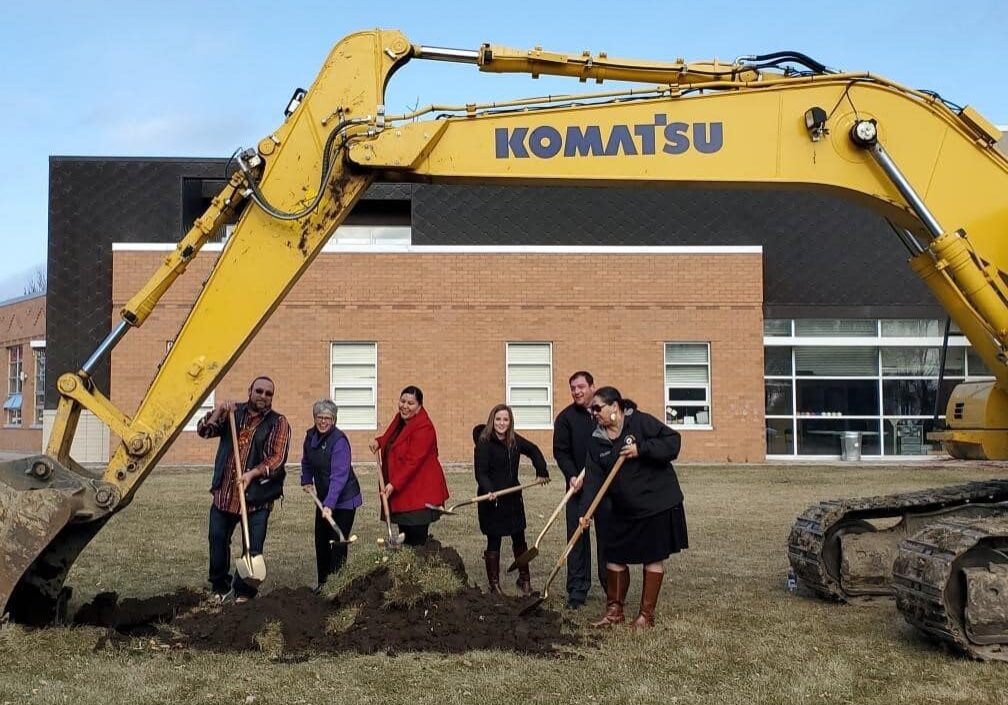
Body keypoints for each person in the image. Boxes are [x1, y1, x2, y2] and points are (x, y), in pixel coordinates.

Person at [575, 385, 688, 631]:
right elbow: (594, 480)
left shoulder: (640, 424)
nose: (594, 413)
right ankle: (614, 611)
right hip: (623, 508)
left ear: (614, 406)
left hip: (655, 504)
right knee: (613, 556)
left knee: (652, 557)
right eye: (591, 410)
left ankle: (646, 616)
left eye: (597, 408)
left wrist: (641, 449)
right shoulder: (597, 440)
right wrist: (585, 513)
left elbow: (673, 443)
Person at [197, 376, 291, 604]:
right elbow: (204, 431)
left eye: (269, 393)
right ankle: (219, 585)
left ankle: (243, 591)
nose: (263, 396)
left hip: (256, 498)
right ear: (250, 391)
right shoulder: (233, 413)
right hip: (225, 494)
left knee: (253, 546)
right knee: (217, 539)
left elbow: (277, 459)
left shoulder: (278, 423)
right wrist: (219, 410)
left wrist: (252, 473)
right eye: (259, 391)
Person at [473, 404, 550, 595]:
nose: (501, 423)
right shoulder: (484, 442)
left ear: (510, 422)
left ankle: (524, 580)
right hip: (492, 499)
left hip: (513, 498)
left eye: (505, 419)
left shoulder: (514, 441)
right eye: (498, 419)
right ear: (493, 420)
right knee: (494, 539)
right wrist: (489, 490)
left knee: (519, 539)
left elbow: (534, 450)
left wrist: (541, 471)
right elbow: (481, 473)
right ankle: (494, 585)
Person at [552, 370, 607, 610]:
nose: (576, 391)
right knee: (576, 536)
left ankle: (611, 589)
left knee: (608, 538)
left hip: (605, 486)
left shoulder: (604, 414)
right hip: (577, 487)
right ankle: (577, 590)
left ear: (592, 387)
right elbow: (560, 451)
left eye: (581, 386)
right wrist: (572, 475)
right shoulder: (565, 418)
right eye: (573, 388)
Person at [368, 385, 449, 546]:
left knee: (416, 539)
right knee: (405, 537)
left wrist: (393, 484)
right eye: (402, 401)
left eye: (410, 403)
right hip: (404, 492)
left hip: (420, 492)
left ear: (419, 406)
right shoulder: (401, 419)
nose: (405, 406)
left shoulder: (424, 427)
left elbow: (413, 461)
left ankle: (421, 566)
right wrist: (379, 441)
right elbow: (392, 439)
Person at [300, 399, 362, 591]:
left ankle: (337, 587)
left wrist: (329, 505)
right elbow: (306, 461)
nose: (323, 421)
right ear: (314, 418)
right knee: (321, 541)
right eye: (320, 417)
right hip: (326, 499)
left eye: (328, 418)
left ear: (334, 420)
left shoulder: (339, 441)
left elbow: (339, 477)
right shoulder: (310, 436)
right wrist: (306, 479)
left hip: (344, 500)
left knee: (338, 543)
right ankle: (323, 585)